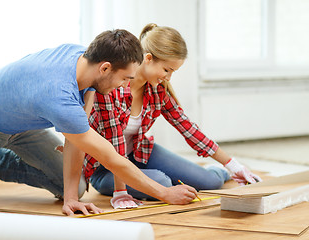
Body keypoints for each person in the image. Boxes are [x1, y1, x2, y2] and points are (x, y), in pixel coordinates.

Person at [0, 29, 197, 215]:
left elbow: (76, 140)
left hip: (22, 127)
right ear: (106, 68)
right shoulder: (59, 95)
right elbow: (109, 156)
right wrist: (164, 193)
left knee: (76, 188)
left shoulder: (86, 60)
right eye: (124, 79)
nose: (125, 86)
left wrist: (70, 200)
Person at [83, 24, 262, 209]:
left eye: (172, 72)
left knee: (210, 182)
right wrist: (121, 192)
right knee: (163, 182)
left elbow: (188, 129)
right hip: (106, 168)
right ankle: (152, 179)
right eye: (167, 70)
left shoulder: (158, 92)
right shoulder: (113, 87)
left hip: (139, 152)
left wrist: (233, 165)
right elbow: (116, 143)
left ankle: (216, 172)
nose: (168, 77)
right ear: (148, 58)